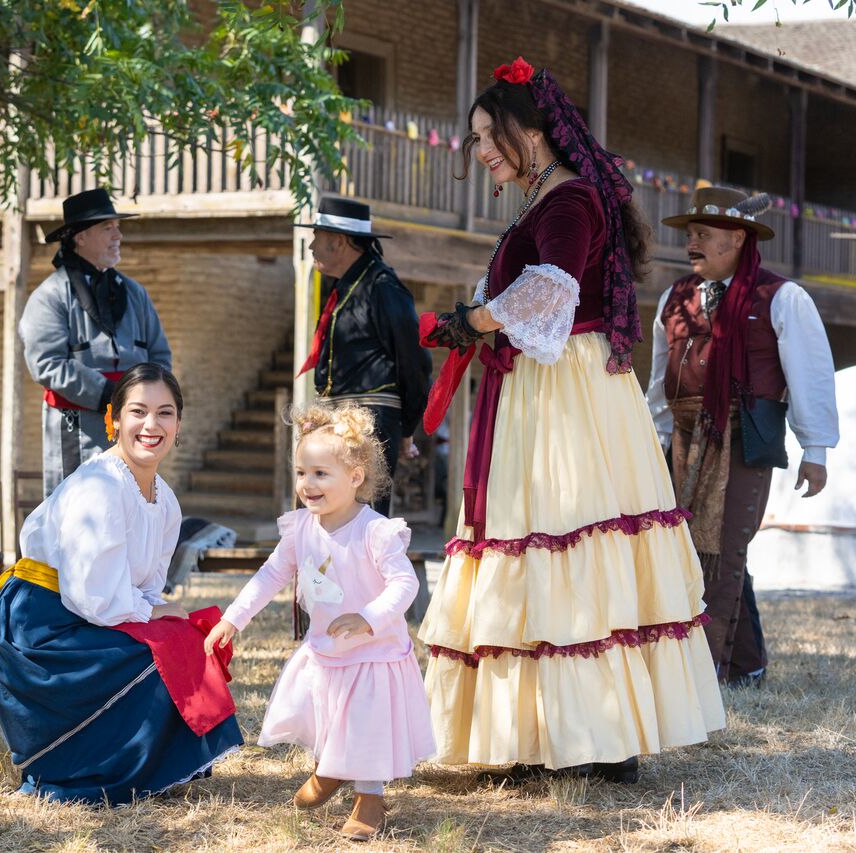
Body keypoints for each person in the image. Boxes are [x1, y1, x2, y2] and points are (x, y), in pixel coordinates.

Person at [418, 57, 724, 784]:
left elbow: (551, 288)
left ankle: (592, 733)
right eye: (477, 139)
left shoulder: (567, 201)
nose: (483, 150)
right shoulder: (551, 199)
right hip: (548, 386)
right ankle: (553, 731)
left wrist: (474, 319)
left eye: (491, 135)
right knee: (551, 542)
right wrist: (477, 322)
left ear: (533, 130)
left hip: (564, 393)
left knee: (561, 534)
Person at [0, 363, 242, 805]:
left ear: (179, 424)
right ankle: (81, 764)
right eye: (138, 412)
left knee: (187, 638)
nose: (151, 425)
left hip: (87, 609)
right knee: (161, 655)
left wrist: (158, 615)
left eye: (165, 413)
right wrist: (151, 616)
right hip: (39, 626)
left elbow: (143, 587)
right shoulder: (100, 487)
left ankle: (159, 763)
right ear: (114, 419)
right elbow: (93, 596)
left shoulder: (166, 501)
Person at [205, 404, 433, 842]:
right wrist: (233, 618)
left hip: (373, 651)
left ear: (356, 476)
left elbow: (405, 585)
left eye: (321, 474)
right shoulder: (301, 529)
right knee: (325, 711)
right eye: (302, 473)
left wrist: (368, 619)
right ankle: (330, 768)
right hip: (326, 649)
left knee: (365, 721)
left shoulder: (375, 532)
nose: (307, 485)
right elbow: (271, 574)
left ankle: (369, 797)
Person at [647, 185, 839, 687]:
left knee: (725, 550)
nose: (692, 242)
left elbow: (810, 374)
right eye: (691, 234)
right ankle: (745, 666)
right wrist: (655, 437)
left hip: (745, 436)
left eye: (703, 234)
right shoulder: (674, 298)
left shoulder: (781, 297)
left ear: (736, 238)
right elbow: (657, 377)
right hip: (684, 441)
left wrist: (814, 450)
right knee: (688, 548)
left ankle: (704, 676)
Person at [19, 188, 172, 496]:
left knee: (135, 503)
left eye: (117, 227)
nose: (118, 235)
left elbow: (159, 356)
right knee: (79, 507)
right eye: (107, 228)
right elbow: (47, 365)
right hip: (77, 428)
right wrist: (111, 395)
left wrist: (145, 401)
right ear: (81, 237)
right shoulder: (50, 296)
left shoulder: (135, 292)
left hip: (135, 427)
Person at [296, 197, 430, 517]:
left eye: (318, 238)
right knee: (323, 518)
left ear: (339, 242)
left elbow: (415, 362)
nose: (312, 246)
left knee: (359, 519)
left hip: (369, 425)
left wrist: (406, 427)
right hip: (337, 421)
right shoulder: (344, 287)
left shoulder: (383, 287)